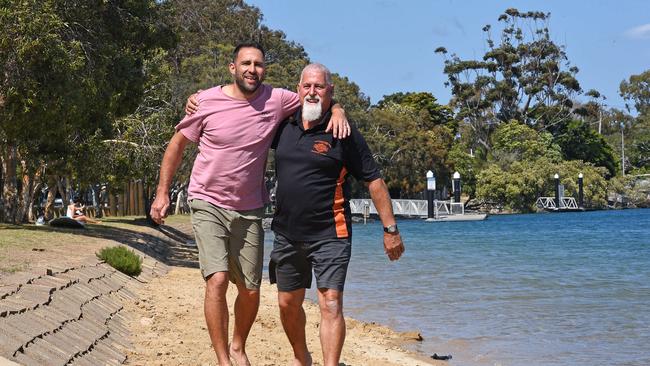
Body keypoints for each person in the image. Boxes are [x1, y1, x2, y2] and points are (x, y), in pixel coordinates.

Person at [149, 43, 350, 366]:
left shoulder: (277, 99)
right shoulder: (206, 101)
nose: (251, 69)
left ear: (264, 70)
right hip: (207, 200)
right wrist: (162, 193)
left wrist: (338, 109)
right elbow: (177, 145)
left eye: (258, 64)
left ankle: (238, 345)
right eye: (246, 63)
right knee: (216, 279)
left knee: (250, 290)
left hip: (250, 207)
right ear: (232, 68)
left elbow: (317, 95)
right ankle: (224, 361)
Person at [269, 63, 405, 366]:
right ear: (298, 89)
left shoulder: (342, 131)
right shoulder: (282, 124)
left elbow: (374, 180)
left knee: (330, 303)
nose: (312, 92)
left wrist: (390, 230)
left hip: (332, 233)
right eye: (307, 86)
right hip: (287, 233)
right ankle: (302, 357)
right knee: (287, 302)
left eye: (319, 87)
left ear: (330, 91)